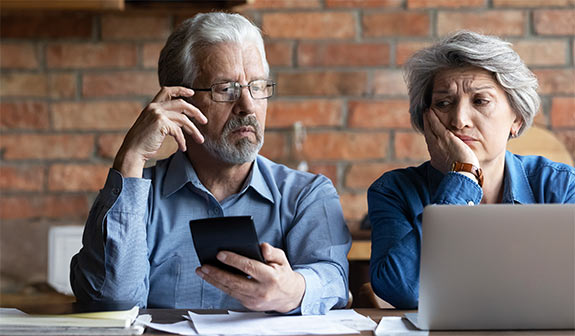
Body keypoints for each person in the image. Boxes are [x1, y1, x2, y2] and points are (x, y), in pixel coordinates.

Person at [70, 12, 351, 315]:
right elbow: (111, 300)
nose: (247, 106)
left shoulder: (305, 195)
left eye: (256, 86)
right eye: (225, 89)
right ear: (180, 101)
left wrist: (296, 290)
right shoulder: (140, 198)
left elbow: (334, 278)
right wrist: (131, 157)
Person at [368, 30, 575, 309]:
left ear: (517, 118)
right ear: (426, 119)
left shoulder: (560, 187)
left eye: (480, 101)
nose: (459, 119)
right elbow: (401, 289)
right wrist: (462, 177)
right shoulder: (393, 192)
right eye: (443, 103)